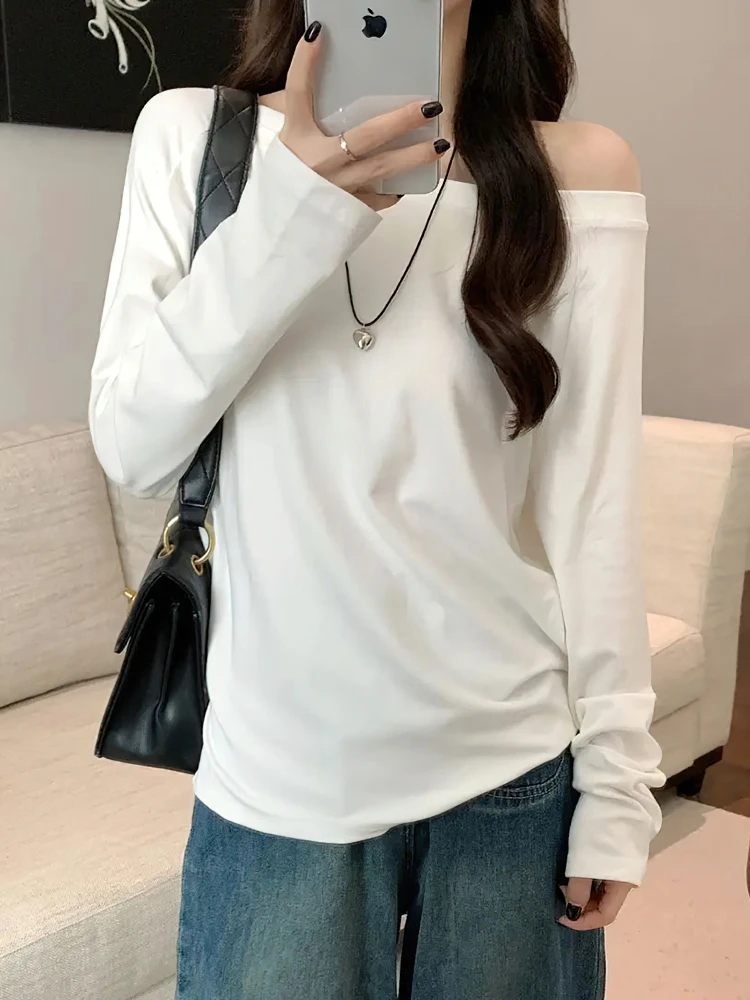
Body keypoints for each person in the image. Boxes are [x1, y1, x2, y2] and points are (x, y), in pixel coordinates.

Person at [89, 1, 665, 997]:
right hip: (276, 780)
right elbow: (132, 448)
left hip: (511, 769)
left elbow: (595, 507)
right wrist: (291, 209)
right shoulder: (195, 139)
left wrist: (619, 776)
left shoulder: (577, 171)